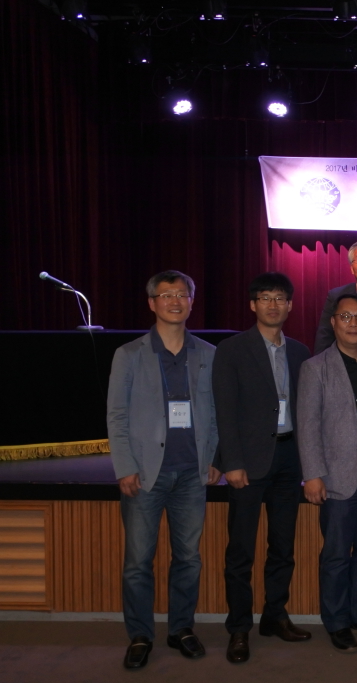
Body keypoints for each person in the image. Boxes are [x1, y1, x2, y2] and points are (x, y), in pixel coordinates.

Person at [107, 270, 220, 670]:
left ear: (192, 301)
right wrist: (124, 466)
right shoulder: (129, 354)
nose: (175, 301)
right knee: (138, 562)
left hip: (191, 473)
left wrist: (214, 459)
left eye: (182, 294)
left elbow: (216, 413)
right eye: (166, 294)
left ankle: (181, 629)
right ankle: (140, 635)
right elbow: (117, 416)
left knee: (188, 558)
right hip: (144, 474)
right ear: (152, 303)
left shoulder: (208, 354)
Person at [212, 272, 312, 663]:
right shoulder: (232, 349)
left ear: (290, 305)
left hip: (289, 459)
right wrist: (232, 462)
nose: (273, 305)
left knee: (282, 546)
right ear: (253, 304)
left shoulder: (300, 352)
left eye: (280, 298)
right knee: (241, 550)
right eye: (265, 298)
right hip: (248, 463)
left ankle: (275, 615)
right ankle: (239, 628)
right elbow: (225, 409)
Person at [297, 293, 357, 653]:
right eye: (346, 317)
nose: (353, 324)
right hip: (338, 480)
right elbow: (308, 425)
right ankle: (336, 621)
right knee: (336, 556)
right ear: (333, 322)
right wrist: (313, 474)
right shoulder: (315, 367)